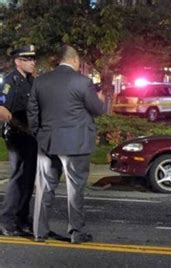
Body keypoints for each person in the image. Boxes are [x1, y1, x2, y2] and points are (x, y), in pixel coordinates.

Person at [27, 45, 105, 243]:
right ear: (75, 61)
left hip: (47, 142)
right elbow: (97, 110)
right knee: (75, 188)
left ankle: (39, 232)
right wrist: (101, 100)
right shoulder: (82, 82)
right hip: (76, 144)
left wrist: (40, 134)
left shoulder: (40, 81)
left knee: (44, 188)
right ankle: (76, 232)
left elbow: (32, 113)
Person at [0, 45, 38, 236]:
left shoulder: (31, 81)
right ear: (18, 61)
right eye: (28, 59)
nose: (33, 62)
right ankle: (6, 221)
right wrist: (21, 126)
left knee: (29, 180)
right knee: (17, 178)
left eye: (33, 59)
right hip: (16, 136)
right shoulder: (10, 81)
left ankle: (22, 219)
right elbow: (1, 109)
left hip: (31, 137)